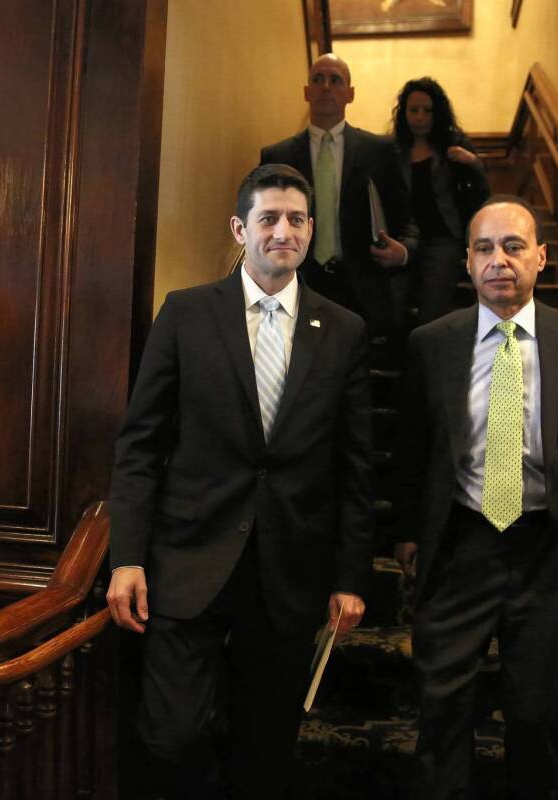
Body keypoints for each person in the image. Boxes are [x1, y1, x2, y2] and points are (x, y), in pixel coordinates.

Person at [106, 164, 374, 799]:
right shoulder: (186, 313)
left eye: (297, 220)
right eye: (269, 219)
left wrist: (350, 577)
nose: (284, 231)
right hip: (188, 560)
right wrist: (126, 558)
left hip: (287, 568)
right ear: (240, 228)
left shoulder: (345, 331)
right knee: (171, 736)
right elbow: (141, 445)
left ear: (311, 229)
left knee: (265, 746)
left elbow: (356, 467)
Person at [393, 195, 558, 800]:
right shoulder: (431, 343)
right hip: (460, 546)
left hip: (546, 550)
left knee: (536, 715)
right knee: (441, 711)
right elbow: (411, 450)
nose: (499, 261)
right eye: (484, 248)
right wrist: (408, 531)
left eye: (513, 246)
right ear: (466, 262)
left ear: (540, 257)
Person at [260, 53, 417, 344]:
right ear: (307, 92)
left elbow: (408, 221)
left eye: (336, 80)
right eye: (318, 80)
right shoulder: (277, 156)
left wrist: (403, 251)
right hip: (297, 279)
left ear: (350, 93)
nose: (326, 87)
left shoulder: (379, 151)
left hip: (361, 285)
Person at [391, 77, 490, 325]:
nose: (420, 117)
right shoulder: (393, 150)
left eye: (427, 110)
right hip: (403, 238)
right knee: (394, 304)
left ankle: (426, 357)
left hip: (443, 239)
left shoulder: (454, 145)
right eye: (413, 110)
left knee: (432, 309)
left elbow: (482, 194)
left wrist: (474, 164)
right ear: (404, 113)